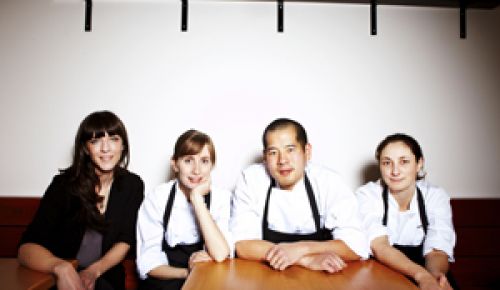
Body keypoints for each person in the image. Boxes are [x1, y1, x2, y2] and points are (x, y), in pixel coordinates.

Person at [18, 111, 145, 290]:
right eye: (95, 141)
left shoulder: (133, 185)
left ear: (123, 145)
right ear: (86, 148)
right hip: (58, 278)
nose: (106, 148)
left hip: (105, 275)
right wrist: (61, 268)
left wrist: (94, 271)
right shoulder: (64, 185)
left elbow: (125, 241)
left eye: (114, 139)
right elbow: (26, 248)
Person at [230, 118, 369, 273]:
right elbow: (242, 244)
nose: (282, 160)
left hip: (322, 278)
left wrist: (301, 248)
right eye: (273, 152)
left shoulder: (329, 182)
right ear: (265, 157)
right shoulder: (251, 179)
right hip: (266, 274)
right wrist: (306, 259)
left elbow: (356, 246)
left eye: (290, 149)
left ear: (307, 151)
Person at [356, 133, 457, 290]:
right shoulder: (367, 195)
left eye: (404, 162)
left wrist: (436, 278)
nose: (395, 171)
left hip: (429, 269)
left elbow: (437, 250)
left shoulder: (435, 196)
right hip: (383, 272)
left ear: (419, 164)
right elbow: (380, 246)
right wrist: (421, 276)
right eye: (387, 163)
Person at [136, 129, 231, 290]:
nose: (197, 170)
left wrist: (197, 199)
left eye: (204, 161)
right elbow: (147, 264)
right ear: (175, 164)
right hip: (165, 281)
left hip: (206, 281)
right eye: (188, 161)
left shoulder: (221, 198)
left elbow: (221, 253)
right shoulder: (157, 198)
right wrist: (188, 272)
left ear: (212, 165)